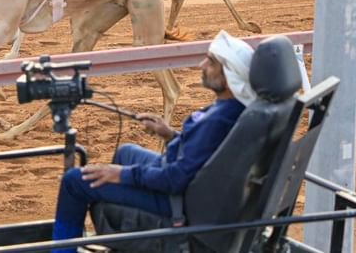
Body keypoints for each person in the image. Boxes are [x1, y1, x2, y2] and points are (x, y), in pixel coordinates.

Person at [50, 30, 256, 253]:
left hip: (179, 201)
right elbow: (207, 154)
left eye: (211, 62)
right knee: (126, 152)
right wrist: (169, 135)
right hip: (193, 187)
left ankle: (62, 250)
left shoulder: (219, 120)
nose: (202, 65)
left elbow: (175, 178)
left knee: (74, 181)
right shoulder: (235, 109)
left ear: (228, 77)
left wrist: (121, 174)